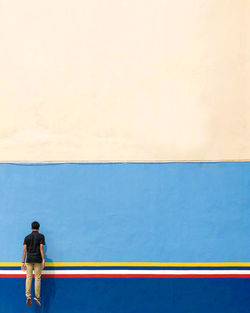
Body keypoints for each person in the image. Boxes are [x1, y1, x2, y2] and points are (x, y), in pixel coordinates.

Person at [21, 221, 46, 307]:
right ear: (38, 228)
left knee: (29, 277)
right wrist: (43, 260)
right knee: (37, 278)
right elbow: (41, 248)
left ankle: (28, 295)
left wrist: (23, 262)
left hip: (29, 259)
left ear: (31, 228)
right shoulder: (41, 236)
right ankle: (37, 297)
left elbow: (24, 250)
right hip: (38, 259)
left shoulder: (27, 237)